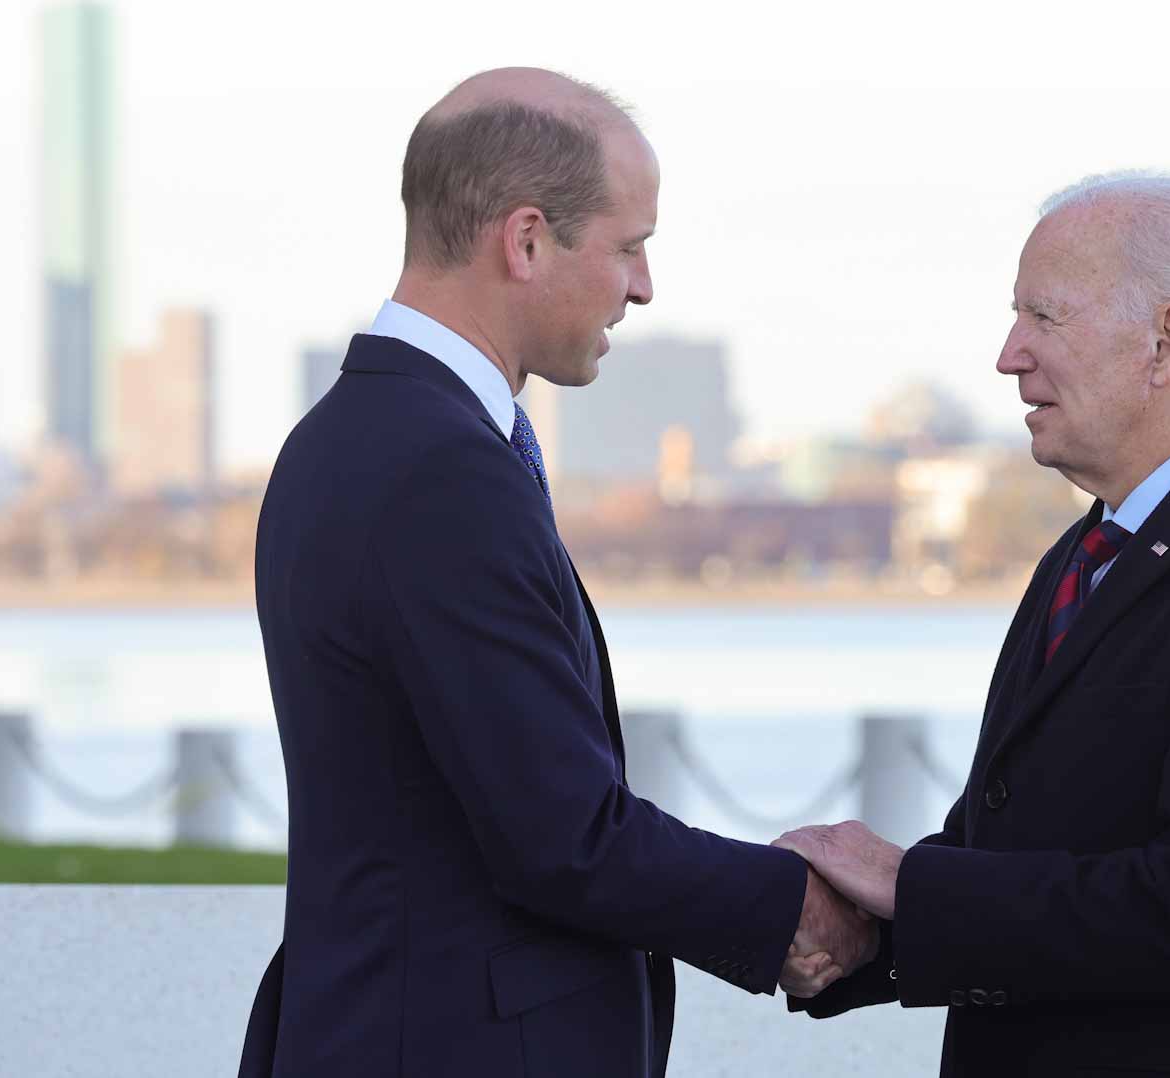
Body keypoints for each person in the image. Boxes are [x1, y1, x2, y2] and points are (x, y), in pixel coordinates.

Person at [236, 68, 873, 1078]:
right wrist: (798, 908)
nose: (645, 285)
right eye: (630, 246)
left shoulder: (349, 438)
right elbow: (563, 836)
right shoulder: (439, 468)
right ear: (526, 241)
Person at [776, 172, 1170, 1077]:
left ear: (1168, 340)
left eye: (1045, 317)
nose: (1008, 355)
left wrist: (905, 885)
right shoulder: (1088, 553)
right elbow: (1012, 856)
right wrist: (845, 932)